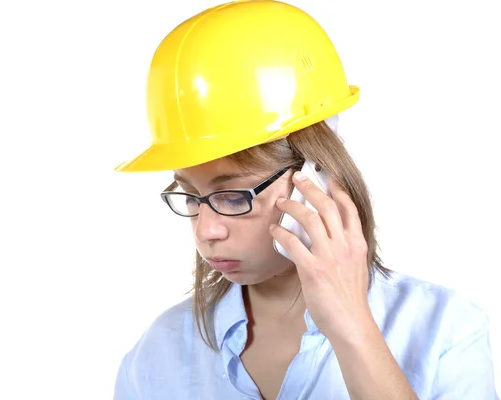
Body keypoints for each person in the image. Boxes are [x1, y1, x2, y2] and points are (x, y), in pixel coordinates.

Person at [112, 1, 499, 399]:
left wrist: (352, 329)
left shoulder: (445, 333)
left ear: (316, 177)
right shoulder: (155, 358)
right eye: (191, 196)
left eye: (233, 196)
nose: (206, 230)